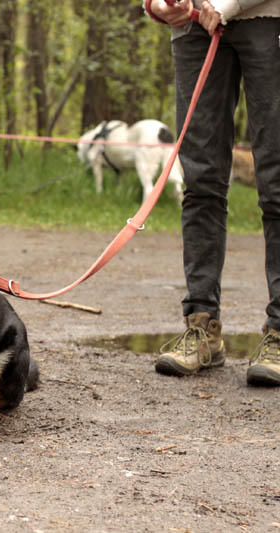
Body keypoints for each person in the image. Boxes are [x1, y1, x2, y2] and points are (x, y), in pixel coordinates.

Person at [144, 0, 280, 385]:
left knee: (277, 182)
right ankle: (202, 326)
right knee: (200, 180)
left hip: (268, 18)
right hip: (194, 28)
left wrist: (225, 3)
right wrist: (157, 4)